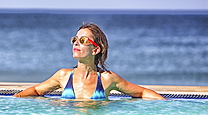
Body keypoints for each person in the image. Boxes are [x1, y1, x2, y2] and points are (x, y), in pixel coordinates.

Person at [14, 22, 165, 100]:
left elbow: (142, 92)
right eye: (75, 39)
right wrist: (14, 100)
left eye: (83, 40)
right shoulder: (63, 76)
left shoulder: (107, 78)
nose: (76, 43)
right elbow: (36, 91)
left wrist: (169, 104)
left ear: (95, 50)